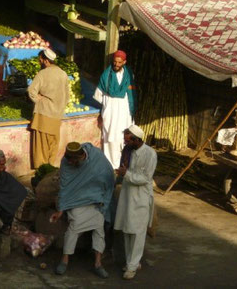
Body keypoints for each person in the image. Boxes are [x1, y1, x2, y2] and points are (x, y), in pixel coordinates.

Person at [50, 142, 115, 279]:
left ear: (81, 156)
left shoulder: (96, 155)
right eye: (70, 161)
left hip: (96, 198)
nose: (71, 163)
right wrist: (61, 209)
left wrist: (105, 199)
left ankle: (98, 264)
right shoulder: (66, 162)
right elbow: (65, 186)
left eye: (74, 161)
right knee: (75, 226)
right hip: (76, 200)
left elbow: (108, 176)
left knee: (99, 228)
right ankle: (64, 260)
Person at [114, 125, 157, 280]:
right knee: (127, 229)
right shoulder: (127, 151)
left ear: (137, 140)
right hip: (127, 195)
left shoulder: (150, 154)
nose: (126, 143)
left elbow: (146, 178)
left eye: (128, 140)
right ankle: (132, 261)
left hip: (141, 197)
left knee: (138, 232)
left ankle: (132, 266)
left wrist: (126, 174)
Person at [94, 50, 136, 169]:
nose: (116, 64)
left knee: (123, 136)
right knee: (110, 137)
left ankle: (123, 164)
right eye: (115, 62)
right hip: (111, 112)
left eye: (119, 62)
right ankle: (111, 165)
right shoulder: (106, 75)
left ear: (124, 62)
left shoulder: (129, 75)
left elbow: (131, 93)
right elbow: (98, 95)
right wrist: (109, 105)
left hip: (124, 112)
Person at [27, 48, 69, 168]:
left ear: (45, 61)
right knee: (52, 146)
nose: (40, 62)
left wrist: (38, 99)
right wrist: (59, 107)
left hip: (43, 115)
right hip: (57, 116)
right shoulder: (63, 73)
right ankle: (50, 170)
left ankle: (41, 172)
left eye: (40, 60)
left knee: (41, 148)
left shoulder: (43, 73)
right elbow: (67, 96)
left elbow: (31, 91)